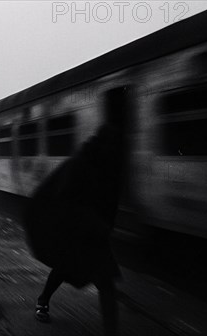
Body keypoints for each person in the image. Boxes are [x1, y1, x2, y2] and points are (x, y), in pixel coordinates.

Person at [23, 86, 132, 336]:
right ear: (103, 145)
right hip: (74, 232)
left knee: (104, 281)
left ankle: (109, 331)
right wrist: (94, 222)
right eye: (113, 147)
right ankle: (42, 300)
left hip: (91, 234)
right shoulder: (80, 166)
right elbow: (65, 202)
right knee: (68, 270)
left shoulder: (104, 166)